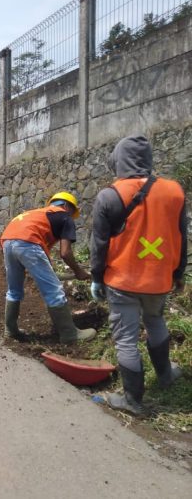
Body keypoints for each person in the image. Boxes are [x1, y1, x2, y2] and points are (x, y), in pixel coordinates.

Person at [90, 135, 187, 416]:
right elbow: (181, 237)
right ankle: (166, 375)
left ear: (119, 160)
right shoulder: (174, 192)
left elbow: (99, 243)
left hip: (123, 281)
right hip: (159, 280)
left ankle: (133, 401)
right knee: (155, 321)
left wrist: (97, 277)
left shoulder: (110, 195)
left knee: (126, 339)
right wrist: (179, 273)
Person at [0, 192, 96, 343]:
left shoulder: (38, 214)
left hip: (8, 240)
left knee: (14, 290)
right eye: (72, 211)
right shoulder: (65, 216)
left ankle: (10, 330)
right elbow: (65, 253)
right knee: (54, 291)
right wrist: (79, 271)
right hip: (28, 242)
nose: (72, 215)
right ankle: (70, 334)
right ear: (66, 206)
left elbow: (35, 248)